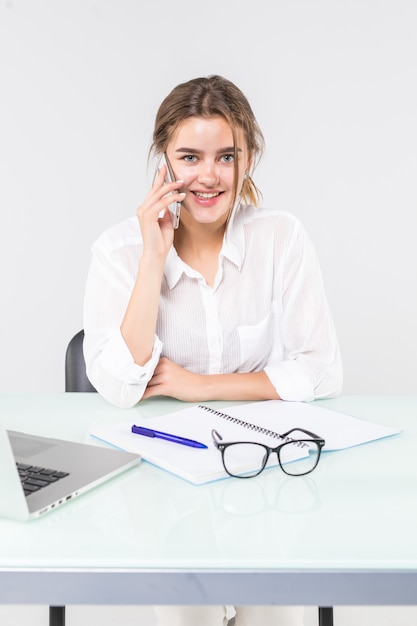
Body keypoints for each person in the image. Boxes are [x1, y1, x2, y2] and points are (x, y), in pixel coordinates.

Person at [83, 75, 343, 626]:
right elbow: (120, 386)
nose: (209, 175)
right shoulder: (118, 252)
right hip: (160, 484)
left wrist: (200, 387)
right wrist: (153, 255)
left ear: (249, 159)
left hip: (266, 478)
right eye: (190, 156)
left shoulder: (282, 238)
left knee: (278, 613)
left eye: (226, 156)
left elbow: (321, 371)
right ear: (164, 162)